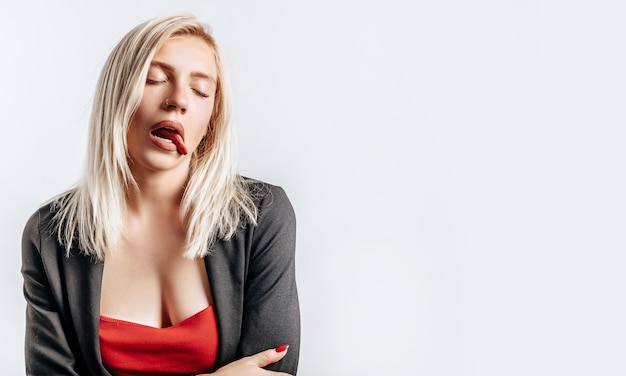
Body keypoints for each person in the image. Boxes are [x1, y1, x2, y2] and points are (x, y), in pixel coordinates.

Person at [21, 13, 299, 376]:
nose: (178, 100)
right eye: (154, 79)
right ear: (116, 97)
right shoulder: (52, 235)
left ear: (210, 125)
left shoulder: (261, 214)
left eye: (200, 90)